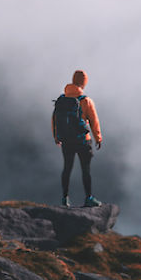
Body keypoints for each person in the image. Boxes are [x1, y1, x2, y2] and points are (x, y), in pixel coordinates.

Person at [52, 69, 103, 207]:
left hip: (67, 141)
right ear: (83, 83)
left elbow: (55, 119)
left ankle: (64, 198)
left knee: (67, 168)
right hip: (83, 140)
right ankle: (88, 198)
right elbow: (93, 121)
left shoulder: (62, 100)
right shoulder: (86, 101)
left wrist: (57, 136)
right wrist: (98, 137)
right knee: (85, 170)